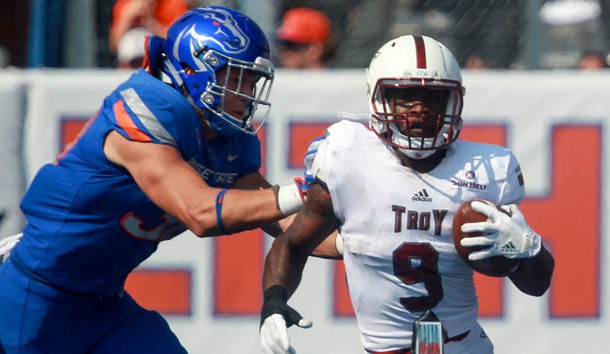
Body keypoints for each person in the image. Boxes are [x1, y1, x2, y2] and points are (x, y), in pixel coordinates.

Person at [0, 6, 311, 353]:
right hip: (37, 296)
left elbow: (286, 218)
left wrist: (353, 232)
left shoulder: (224, 140)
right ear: (195, 69)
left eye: (253, 81)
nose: (248, 93)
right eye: (238, 78)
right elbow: (201, 213)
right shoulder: (149, 111)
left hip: (103, 304)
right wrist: (303, 189)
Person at [259, 35, 555, 354]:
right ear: (378, 99)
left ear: (453, 102)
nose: (419, 110)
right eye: (406, 97)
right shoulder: (347, 157)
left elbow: (536, 285)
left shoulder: (487, 171)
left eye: (433, 99)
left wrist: (528, 250)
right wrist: (274, 303)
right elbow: (293, 243)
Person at [109, 0, 190, 55]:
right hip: (129, 67)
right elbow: (113, 47)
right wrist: (127, 18)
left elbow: (179, 45)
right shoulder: (125, 4)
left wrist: (150, 22)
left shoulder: (174, 4)